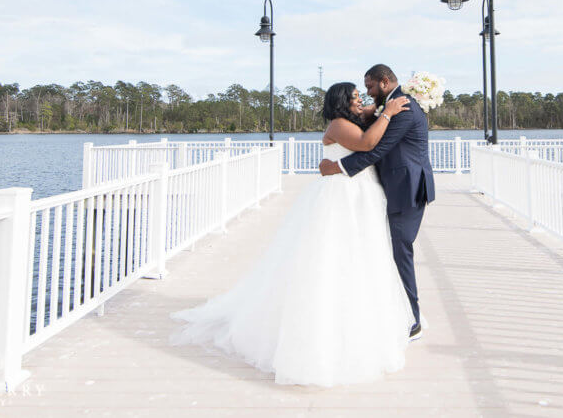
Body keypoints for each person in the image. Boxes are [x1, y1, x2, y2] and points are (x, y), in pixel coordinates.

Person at [167, 82, 415, 386]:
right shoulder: (338, 124)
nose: (359, 100)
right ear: (341, 102)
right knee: (334, 257)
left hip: (360, 194)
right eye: (354, 97)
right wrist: (387, 113)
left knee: (362, 257)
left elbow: (369, 132)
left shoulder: (352, 118)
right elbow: (366, 144)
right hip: (342, 198)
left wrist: (376, 111)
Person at [319, 64, 435, 341]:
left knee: (399, 253)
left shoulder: (403, 109)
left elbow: (377, 148)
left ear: (384, 83)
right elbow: (369, 120)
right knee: (382, 251)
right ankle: (399, 313)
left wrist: (336, 167)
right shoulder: (388, 105)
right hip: (386, 189)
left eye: (369, 88)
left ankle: (412, 320)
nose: (367, 96)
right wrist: (379, 111)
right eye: (360, 93)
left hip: (405, 190)